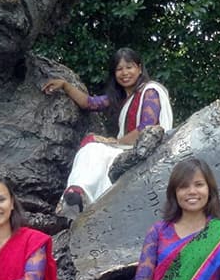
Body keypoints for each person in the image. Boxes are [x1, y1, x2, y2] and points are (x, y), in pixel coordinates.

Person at [43, 47, 173, 215]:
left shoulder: (150, 91)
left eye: (129, 67)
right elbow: (89, 103)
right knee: (92, 146)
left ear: (139, 68)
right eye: (119, 69)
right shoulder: (122, 97)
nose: (125, 72)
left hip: (146, 148)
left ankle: (80, 194)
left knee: (94, 148)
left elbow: (147, 127)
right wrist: (65, 85)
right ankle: (77, 196)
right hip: (126, 148)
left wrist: (114, 142)